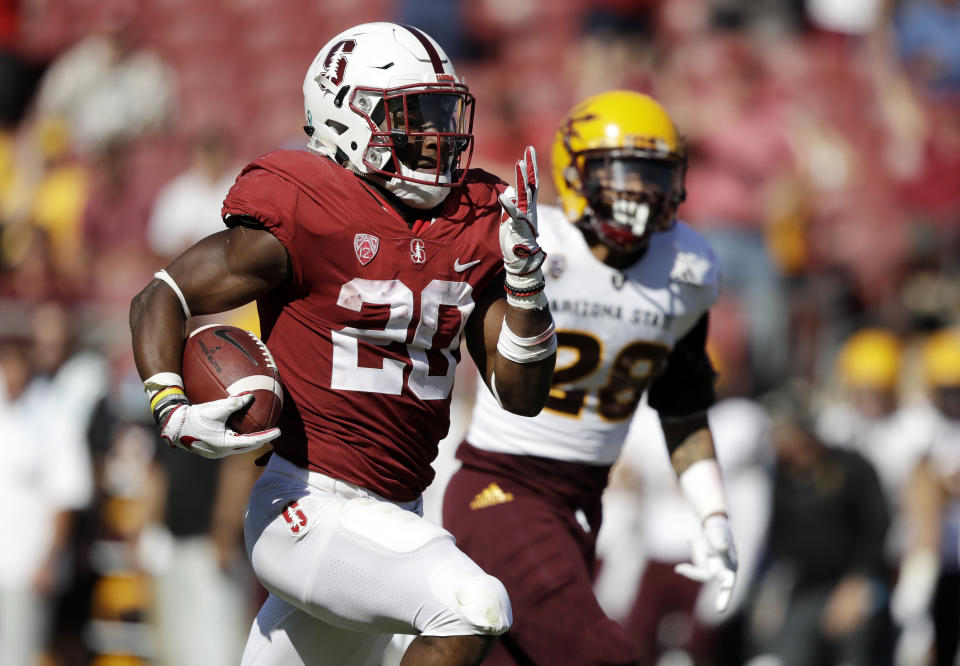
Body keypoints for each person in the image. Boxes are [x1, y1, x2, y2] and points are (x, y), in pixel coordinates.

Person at [128, 22, 556, 666]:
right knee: (474, 607)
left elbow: (522, 395)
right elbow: (161, 295)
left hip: (395, 515)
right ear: (348, 120)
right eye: (412, 117)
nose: (436, 136)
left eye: (442, 113)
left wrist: (526, 288)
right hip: (305, 504)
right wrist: (171, 406)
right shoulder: (307, 208)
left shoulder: (476, 221)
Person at [442, 90, 738, 665]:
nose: (639, 190)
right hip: (501, 487)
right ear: (575, 171)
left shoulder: (687, 269)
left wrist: (714, 515)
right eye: (623, 172)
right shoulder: (534, 241)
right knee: (598, 654)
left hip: (584, 503)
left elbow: (682, 409)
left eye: (654, 174)